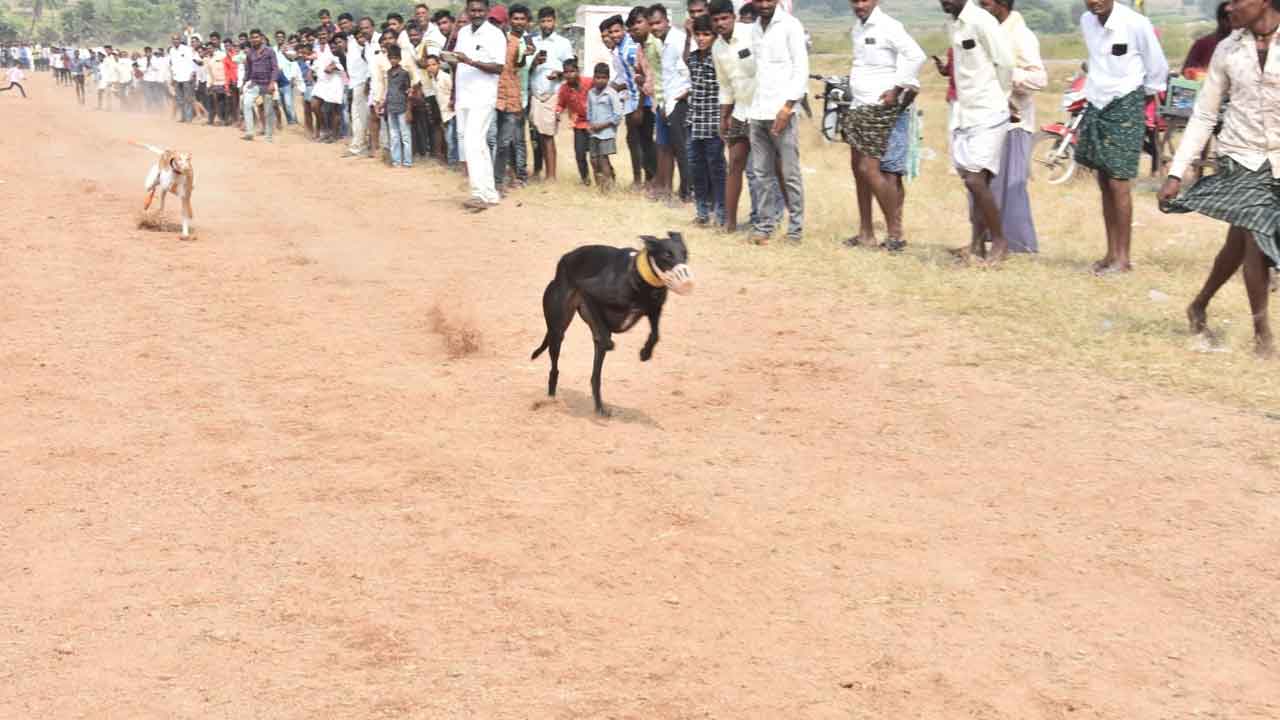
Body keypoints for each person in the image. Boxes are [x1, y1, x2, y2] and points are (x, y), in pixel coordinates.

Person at [1159, 0, 1279, 356]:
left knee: (1237, 245)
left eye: (1237, 0)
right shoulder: (1227, 49)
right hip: (1240, 156)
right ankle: (1263, 336)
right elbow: (1205, 114)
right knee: (1256, 235)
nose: (1228, 7)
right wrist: (1177, 171)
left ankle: (1199, 304)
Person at [1077, 0, 1169, 274]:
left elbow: (1157, 68)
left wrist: (1138, 102)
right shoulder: (1087, 21)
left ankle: (1123, 259)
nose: (1095, 1)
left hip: (1127, 103)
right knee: (1104, 180)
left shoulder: (1135, 23)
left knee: (1119, 183)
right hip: (1097, 102)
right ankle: (1110, 253)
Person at [840, 0, 925, 251]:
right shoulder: (858, 28)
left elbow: (916, 55)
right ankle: (866, 232)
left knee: (871, 169)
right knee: (858, 169)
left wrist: (897, 88)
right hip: (858, 105)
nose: (859, 5)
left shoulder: (889, 25)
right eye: (854, 1)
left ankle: (895, 234)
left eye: (864, 0)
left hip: (879, 107)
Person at [940, 0, 1014, 264]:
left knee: (974, 179)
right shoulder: (953, 23)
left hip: (988, 110)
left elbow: (1005, 63)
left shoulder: (982, 21)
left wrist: (1000, 96)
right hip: (964, 113)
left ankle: (1000, 242)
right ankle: (977, 246)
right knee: (975, 183)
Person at [979, 0, 1047, 254]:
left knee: (1011, 188)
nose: (980, 4)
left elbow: (1039, 79)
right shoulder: (984, 30)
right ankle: (983, 240)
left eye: (985, 1)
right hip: (984, 119)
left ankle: (1019, 245)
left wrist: (1007, 73)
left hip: (1014, 124)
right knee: (984, 184)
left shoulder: (1021, 35)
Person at [746, 0, 808, 244]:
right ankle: (764, 226)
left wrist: (788, 107)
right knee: (761, 173)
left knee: (789, 173)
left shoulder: (791, 25)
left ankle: (795, 230)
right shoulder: (754, 29)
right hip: (758, 111)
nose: (764, 4)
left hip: (783, 112)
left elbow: (801, 68)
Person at [710, 0, 760, 234]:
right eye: (716, 19)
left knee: (768, 169)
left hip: (763, 110)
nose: (721, 23)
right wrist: (724, 117)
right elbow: (725, 85)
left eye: (724, 18)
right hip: (740, 111)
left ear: (733, 16)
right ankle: (729, 223)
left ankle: (777, 221)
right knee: (735, 163)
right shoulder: (717, 48)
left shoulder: (753, 33)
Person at [453, 0, 508, 210]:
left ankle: (478, 194)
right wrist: (452, 59)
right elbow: (459, 58)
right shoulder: (464, 32)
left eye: (480, 10)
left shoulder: (495, 34)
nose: (476, 13)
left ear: (487, 11)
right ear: (467, 11)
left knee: (473, 143)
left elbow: (498, 67)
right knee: (478, 146)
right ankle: (489, 193)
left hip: (482, 97)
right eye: (472, 10)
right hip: (463, 95)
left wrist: (470, 61)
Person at [685, 15, 725, 225]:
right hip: (694, 121)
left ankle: (721, 213)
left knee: (716, 169)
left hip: (713, 123)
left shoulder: (719, 58)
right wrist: (686, 35)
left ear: (714, 36)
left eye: (706, 34)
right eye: (697, 34)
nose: (701, 39)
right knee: (697, 169)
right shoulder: (692, 58)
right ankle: (702, 212)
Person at [652, 3, 691, 202]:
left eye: (658, 22)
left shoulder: (677, 40)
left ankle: (687, 194)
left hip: (680, 103)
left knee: (683, 151)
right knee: (678, 149)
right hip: (671, 103)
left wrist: (684, 94)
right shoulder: (665, 42)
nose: (655, 27)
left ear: (667, 21)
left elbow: (687, 69)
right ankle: (685, 192)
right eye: (652, 24)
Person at [529, 6, 574, 181]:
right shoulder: (533, 41)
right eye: (543, 21)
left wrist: (559, 74)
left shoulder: (563, 43)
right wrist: (534, 62)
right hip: (535, 93)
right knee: (535, 135)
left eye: (549, 20)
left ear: (555, 21)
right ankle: (538, 170)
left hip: (551, 93)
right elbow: (526, 68)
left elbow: (571, 69)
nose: (546, 24)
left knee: (547, 135)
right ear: (538, 22)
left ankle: (551, 176)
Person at [495, 4, 530, 190]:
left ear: (527, 21)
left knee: (519, 141)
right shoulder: (505, 41)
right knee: (504, 141)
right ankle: (503, 177)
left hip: (524, 95)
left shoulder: (531, 41)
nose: (518, 22)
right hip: (507, 95)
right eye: (515, 19)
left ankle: (521, 176)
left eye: (522, 19)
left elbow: (526, 67)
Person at [555, 56, 593, 184]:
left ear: (578, 71)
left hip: (595, 123)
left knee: (597, 154)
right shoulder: (564, 89)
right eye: (566, 72)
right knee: (580, 154)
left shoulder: (589, 82)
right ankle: (585, 179)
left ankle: (605, 178)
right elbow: (561, 104)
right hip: (579, 124)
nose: (569, 75)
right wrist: (558, 112)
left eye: (571, 71)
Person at [587, 61, 624, 189]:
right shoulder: (591, 93)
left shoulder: (611, 94)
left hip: (606, 133)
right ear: (593, 77)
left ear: (608, 79)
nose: (600, 81)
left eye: (603, 78)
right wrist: (590, 125)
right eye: (597, 78)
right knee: (593, 159)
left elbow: (618, 116)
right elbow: (590, 111)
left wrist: (603, 125)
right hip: (594, 133)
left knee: (603, 159)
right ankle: (599, 186)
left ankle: (608, 188)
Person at [241, 29, 279, 142]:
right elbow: (248, 70)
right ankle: (249, 132)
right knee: (246, 104)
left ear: (261, 38)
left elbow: (275, 68)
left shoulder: (270, 51)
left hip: (267, 84)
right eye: (252, 37)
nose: (254, 39)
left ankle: (269, 136)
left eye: (256, 37)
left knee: (268, 111)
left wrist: (272, 83)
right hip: (254, 84)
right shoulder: (250, 53)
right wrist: (244, 83)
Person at [383, 45, 415, 168]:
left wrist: (408, 109)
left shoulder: (404, 73)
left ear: (400, 59)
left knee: (405, 135)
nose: (393, 60)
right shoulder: (389, 72)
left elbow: (408, 92)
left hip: (402, 106)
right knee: (394, 135)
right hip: (391, 106)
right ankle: (396, 161)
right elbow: (389, 90)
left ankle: (407, 162)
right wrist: (385, 106)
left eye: (395, 58)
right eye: (391, 58)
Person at [1183, 1, 1231, 77]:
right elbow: (1186, 72)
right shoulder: (1202, 44)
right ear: (1221, 20)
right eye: (1231, 19)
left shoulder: (1244, 44)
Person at [345, 28, 372, 157]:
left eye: (363, 36)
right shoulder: (353, 46)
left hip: (364, 83)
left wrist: (367, 81)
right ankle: (360, 144)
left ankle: (359, 146)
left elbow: (370, 66)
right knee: (358, 116)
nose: (361, 39)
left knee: (361, 116)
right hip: (356, 83)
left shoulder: (368, 47)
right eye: (358, 37)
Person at [169, 35, 198, 122]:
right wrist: (173, 76)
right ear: (172, 41)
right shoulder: (171, 50)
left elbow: (192, 61)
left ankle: (189, 118)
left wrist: (192, 73)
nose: (175, 41)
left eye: (177, 39)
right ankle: (183, 117)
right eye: (174, 39)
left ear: (180, 40)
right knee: (179, 99)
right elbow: (173, 64)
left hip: (186, 77)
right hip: (177, 77)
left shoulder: (186, 49)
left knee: (188, 98)